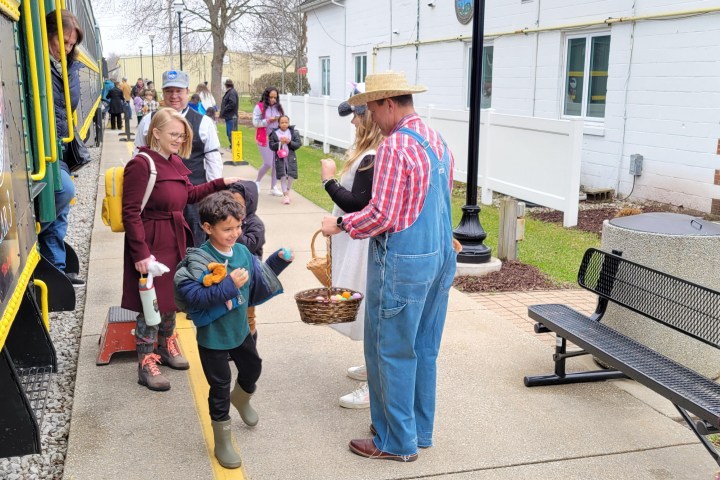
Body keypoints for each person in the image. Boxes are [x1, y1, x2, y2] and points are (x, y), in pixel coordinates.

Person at [320, 71, 457, 462]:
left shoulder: (396, 147)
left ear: (388, 103)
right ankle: (418, 430)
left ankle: (396, 441)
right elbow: (441, 201)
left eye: (371, 109)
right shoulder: (435, 138)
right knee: (423, 350)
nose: (370, 118)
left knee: (389, 352)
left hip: (404, 263)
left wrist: (341, 224)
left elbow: (382, 215)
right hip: (439, 259)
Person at [123, 108, 242, 392]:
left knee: (172, 297)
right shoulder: (141, 164)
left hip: (175, 236)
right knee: (150, 303)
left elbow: (188, 195)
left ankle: (165, 345)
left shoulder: (173, 161)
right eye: (173, 134)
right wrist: (140, 253)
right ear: (156, 133)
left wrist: (219, 184)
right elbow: (130, 213)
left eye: (182, 135)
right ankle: (145, 363)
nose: (178, 139)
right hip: (151, 239)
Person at [174, 191, 292, 468]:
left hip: (240, 331)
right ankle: (222, 439)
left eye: (238, 227)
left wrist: (279, 260)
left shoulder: (241, 251)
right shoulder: (198, 260)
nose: (235, 233)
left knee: (253, 368)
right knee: (219, 386)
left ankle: (241, 398)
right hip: (213, 338)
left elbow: (258, 276)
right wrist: (230, 286)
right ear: (207, 228)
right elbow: (195, 298)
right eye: (227, 229)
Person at [320, 85, 383, 409]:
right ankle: (371, 366)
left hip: (362, 244)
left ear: (367, 118)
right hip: (353, 241)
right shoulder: (366, 152)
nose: (352, 123)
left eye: (357, 116)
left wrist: (328, 180)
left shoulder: (372, 156)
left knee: (367, 307)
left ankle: (375, 384)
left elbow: (358, 203)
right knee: (362, 306)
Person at [135, 70, 223, 247]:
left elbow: (213, 161)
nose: (174, 96)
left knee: (194, 249)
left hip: (194, 201)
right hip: (157, 202)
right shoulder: (147, 121)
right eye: (169, 91)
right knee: (160, 250)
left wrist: (215, 197)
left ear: (187, 92)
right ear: (163, 93)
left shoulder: (204, 123)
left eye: (179, 91)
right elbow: (137, 157)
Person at [42, 8, 85, 286]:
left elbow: (69, 103)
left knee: (64, 206)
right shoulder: (40, 62)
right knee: (64, 190)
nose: (66, 49)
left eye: (71, 45)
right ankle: (35, 236)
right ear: (47, 34)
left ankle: (56, 267)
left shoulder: (66, 66)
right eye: (63, 42)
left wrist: (68, 65)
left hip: (58, 145)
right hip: (44, 146)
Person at [227, 181, 264, 340]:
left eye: (239, 205)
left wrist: (235, 230)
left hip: (249, 279)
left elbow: (249, 246)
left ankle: (250, 349)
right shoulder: (227, 221)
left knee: (248, 317)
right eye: (231, 204)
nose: (235, 210)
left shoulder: (256, 224)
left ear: (249, 203)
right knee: (231, 314)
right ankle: (233, 346)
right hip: (231, 277)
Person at [252, 86, 284, 197]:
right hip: (264, 138)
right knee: (268, 163)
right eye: (271, 97)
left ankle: (273, 187)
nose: (273, 100)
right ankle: (257, 181)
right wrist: (268, 120)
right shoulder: (259, 107)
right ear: (266, 96)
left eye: (275, 97)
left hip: (277, 139)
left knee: (276, 163)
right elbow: (255, 123)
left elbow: (283, 121)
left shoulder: (278, 108)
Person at [268, 115, 300, 205]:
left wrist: (289, 142)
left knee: (291, 176)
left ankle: (287, 191)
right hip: (280, 158)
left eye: (286, 122)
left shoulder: (293, 132)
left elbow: (298, 144)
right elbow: (271, 146)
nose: (284, 124)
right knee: (283, 176)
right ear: (278, 123)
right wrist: (280, 143)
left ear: (288, 123)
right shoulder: (274, 133)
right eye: (282, 122)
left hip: (290, 158)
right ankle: (286, 196)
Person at [220, 79, 239, 153]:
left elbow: (232, 103)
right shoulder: (231, 92)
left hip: (231, 116)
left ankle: (233, 148)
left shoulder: (231, 93)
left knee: (231, 133)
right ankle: (232, 146)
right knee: (230, 132)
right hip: (230, 116)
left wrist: (225, 109)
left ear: (226, 85)